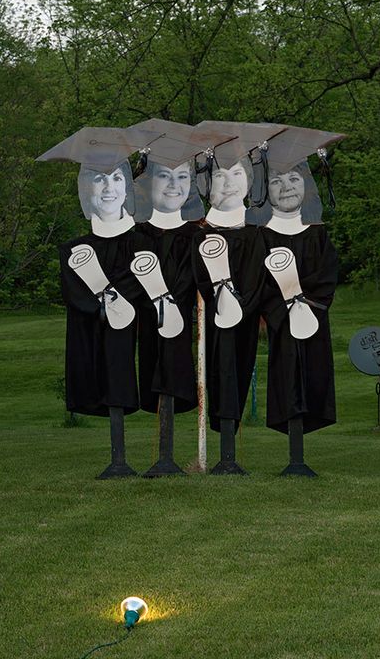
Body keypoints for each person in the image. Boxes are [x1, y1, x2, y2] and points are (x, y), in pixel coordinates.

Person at [38, 126, 158, 478]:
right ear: (87, 189)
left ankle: (124, 457)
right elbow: (75, 293)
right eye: (99, 181)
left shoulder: (141, 243)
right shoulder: (75, 249)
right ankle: (116, 458)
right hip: (94, 329)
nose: (108, 188)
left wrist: (114, 298)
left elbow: (140, 282)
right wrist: (103, 303)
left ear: (126, 186)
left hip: (129, 326)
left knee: (123, 372)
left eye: (116, 180)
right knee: (100, 375)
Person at [128, 118, 238, 475]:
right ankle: (163, 454)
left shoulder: (198, 234)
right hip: (150, 320)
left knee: (179, 367)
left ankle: (184, 453)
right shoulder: (138, 234)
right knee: (154, 367)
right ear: (149, 182)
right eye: (165, 176)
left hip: (185, 320)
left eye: (182, 177)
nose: (174, 185)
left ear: (192, 184)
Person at [191, 121, 287, 474]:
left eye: (236, 174)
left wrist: (242, 305)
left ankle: (230, 452)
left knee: (237, 371)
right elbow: (199, 277)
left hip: (244, 318)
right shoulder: (199, 235)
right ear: (208, 183)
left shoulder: (257, 236)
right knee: (216, 373)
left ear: (248, 181)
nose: (228, 182)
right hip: (214, 318)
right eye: (219, 176)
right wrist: (217, 298)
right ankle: (221, 449)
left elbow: (260, 278)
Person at [252, 127, 345, 476]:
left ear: (306, 186)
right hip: (280, 323)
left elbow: (327, 275)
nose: (287, 186)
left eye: (294, 178)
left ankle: (301, 455)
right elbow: (258, 281)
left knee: (311, 377)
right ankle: (292, 456)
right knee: (286, 378)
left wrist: (306, 305)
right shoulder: (262, 237)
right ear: (265, 189)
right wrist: (281, 309)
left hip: (312, 321)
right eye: (276, 180)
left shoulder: (317, 234)